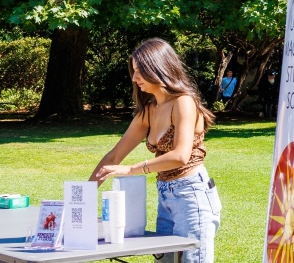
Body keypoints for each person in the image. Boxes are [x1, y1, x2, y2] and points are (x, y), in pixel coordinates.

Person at [90, 39, 221, 263]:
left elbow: (180, 155)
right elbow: (114, 156)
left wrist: (131, 169)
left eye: (139, 71)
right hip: (166, 196)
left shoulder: (184, 102)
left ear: (157, 68)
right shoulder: (149, 111)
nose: (134, 78)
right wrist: (84, 195)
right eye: (134, 71)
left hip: (192, 196)